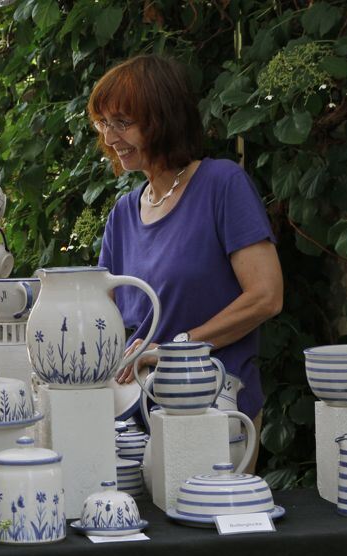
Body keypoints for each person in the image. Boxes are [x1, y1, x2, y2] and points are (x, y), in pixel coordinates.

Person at [90, 55, 283, 467]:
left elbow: (266, 296)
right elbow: (106, 322)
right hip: (138, 419)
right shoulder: (123, 215)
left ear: (162, 119)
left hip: (215, 410)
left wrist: (174, 349)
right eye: (103, 123)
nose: (110, 137)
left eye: (122, 122)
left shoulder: (221, 184)